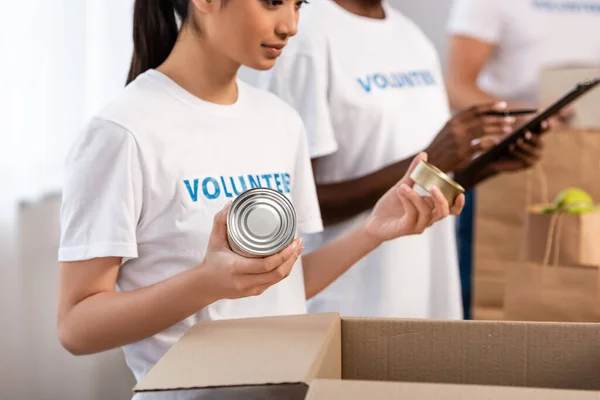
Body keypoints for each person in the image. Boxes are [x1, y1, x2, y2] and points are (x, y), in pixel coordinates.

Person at [56, 0, 464, 397]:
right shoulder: (124, 132)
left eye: (298, 4)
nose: (290, 24)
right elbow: (76, 328)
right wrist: (206, 283)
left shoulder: (280, 121)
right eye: (272, 3)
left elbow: (282, 287)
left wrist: (373, 230)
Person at [262, 0, 546, 320]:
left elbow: (419, 188)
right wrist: (431, 161)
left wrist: (484, 168)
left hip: (426, 293)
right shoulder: (306, 36)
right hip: (350, 305)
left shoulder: (412, 36)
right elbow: (296, 209)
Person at [445, 0, 600, 316]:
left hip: (591, 158)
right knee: (494, 298)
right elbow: (457, 88)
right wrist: (523, 118)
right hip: (510, 163)